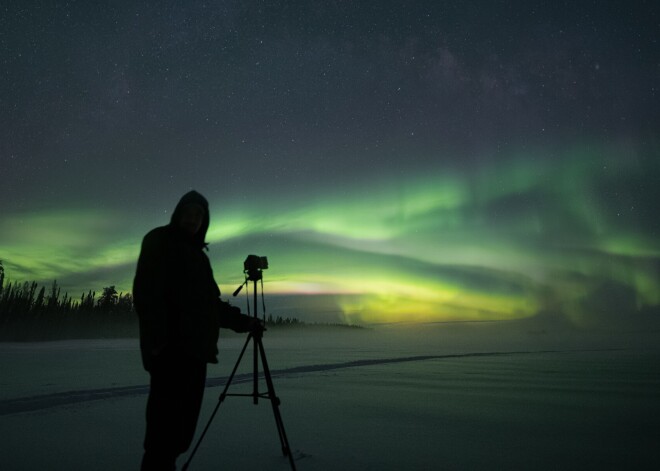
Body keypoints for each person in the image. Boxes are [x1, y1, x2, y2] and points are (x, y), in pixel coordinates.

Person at [133, 190, 260, 471]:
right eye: (188, 213)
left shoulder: (199, 257)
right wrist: (158, 344)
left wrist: (244, 322)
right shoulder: (159, 241)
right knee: (161, 437)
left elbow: (209, 306)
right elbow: (146, 295)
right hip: (170, 355)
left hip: (195, 355)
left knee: (180, 434)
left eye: (198, 215)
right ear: (178, 214)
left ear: (205, 221)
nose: (193, 219)